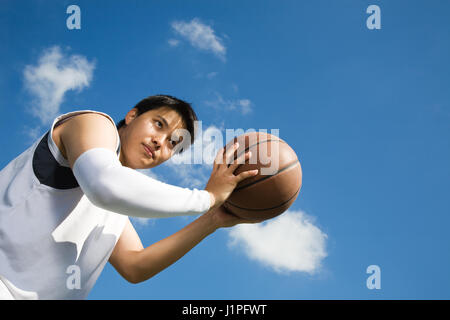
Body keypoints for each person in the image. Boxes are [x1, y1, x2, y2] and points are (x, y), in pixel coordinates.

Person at [0, 94, 259, 299]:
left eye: (172, 144)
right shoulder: (93, 123)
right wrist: (207, 198)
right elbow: (104, 184)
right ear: (132, 115)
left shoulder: (114, 204)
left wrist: (213, 220)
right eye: (158, 124)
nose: (160, 142)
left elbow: (135, 266)